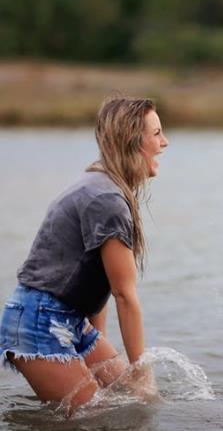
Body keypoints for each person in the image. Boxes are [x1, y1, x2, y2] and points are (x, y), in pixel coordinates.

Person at [0, 97, 169, 413]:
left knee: (132, 400)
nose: (164, 142)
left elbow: (97, 281)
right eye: (157, 133)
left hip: (69, 320)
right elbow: (123, 294)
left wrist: (96, 350)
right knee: (97, 416)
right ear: (133, 141)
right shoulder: (107, 199)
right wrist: (141, 370)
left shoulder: (105, 185)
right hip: (39, 321)